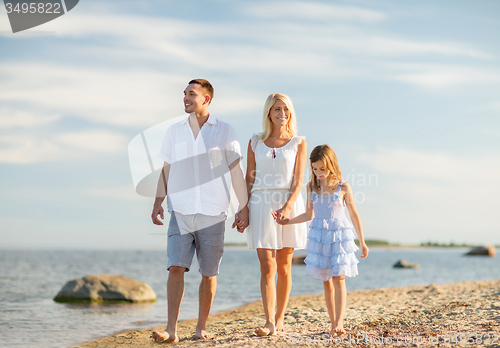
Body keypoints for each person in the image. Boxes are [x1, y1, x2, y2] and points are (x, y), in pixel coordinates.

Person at [150, 79, 248, 343]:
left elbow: (235, 171)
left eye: (191, 94)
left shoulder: (225, 131)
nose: (185, 98)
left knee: (209, 272)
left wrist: (244, 207)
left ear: (206, 99)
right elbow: (166, 169)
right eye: (184, 94)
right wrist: (158, 202)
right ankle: (171, 330)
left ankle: (200, 326)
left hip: (213, 211)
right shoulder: (174, 131)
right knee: (175, 268)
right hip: (180, 210)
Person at [274, 144, 369, 337]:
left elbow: (354, 214)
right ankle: (333, 322)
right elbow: (309, 214)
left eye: (322, 169)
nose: (318, 173)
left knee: (339, 278)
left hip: (339, 236)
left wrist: (362, 241)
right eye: (315, 169)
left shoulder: (343, 186)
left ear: (331, 165)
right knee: (326, 281)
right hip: (321, 237)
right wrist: (288, 221)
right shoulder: (312, 187)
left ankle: (339, 322)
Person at [243, 93, 308, 336]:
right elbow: (248, 179)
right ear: (268, 113)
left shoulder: (298, 143)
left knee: (284, 267)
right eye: (277, 109)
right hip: (260, 203)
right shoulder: (255, 142)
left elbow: (299, 180)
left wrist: (288, 207)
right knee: (267, 266)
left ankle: (280, 318)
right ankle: (269, 321)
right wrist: (243, 209)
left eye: (286, 110)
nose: (282, 114)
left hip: (288, 204)